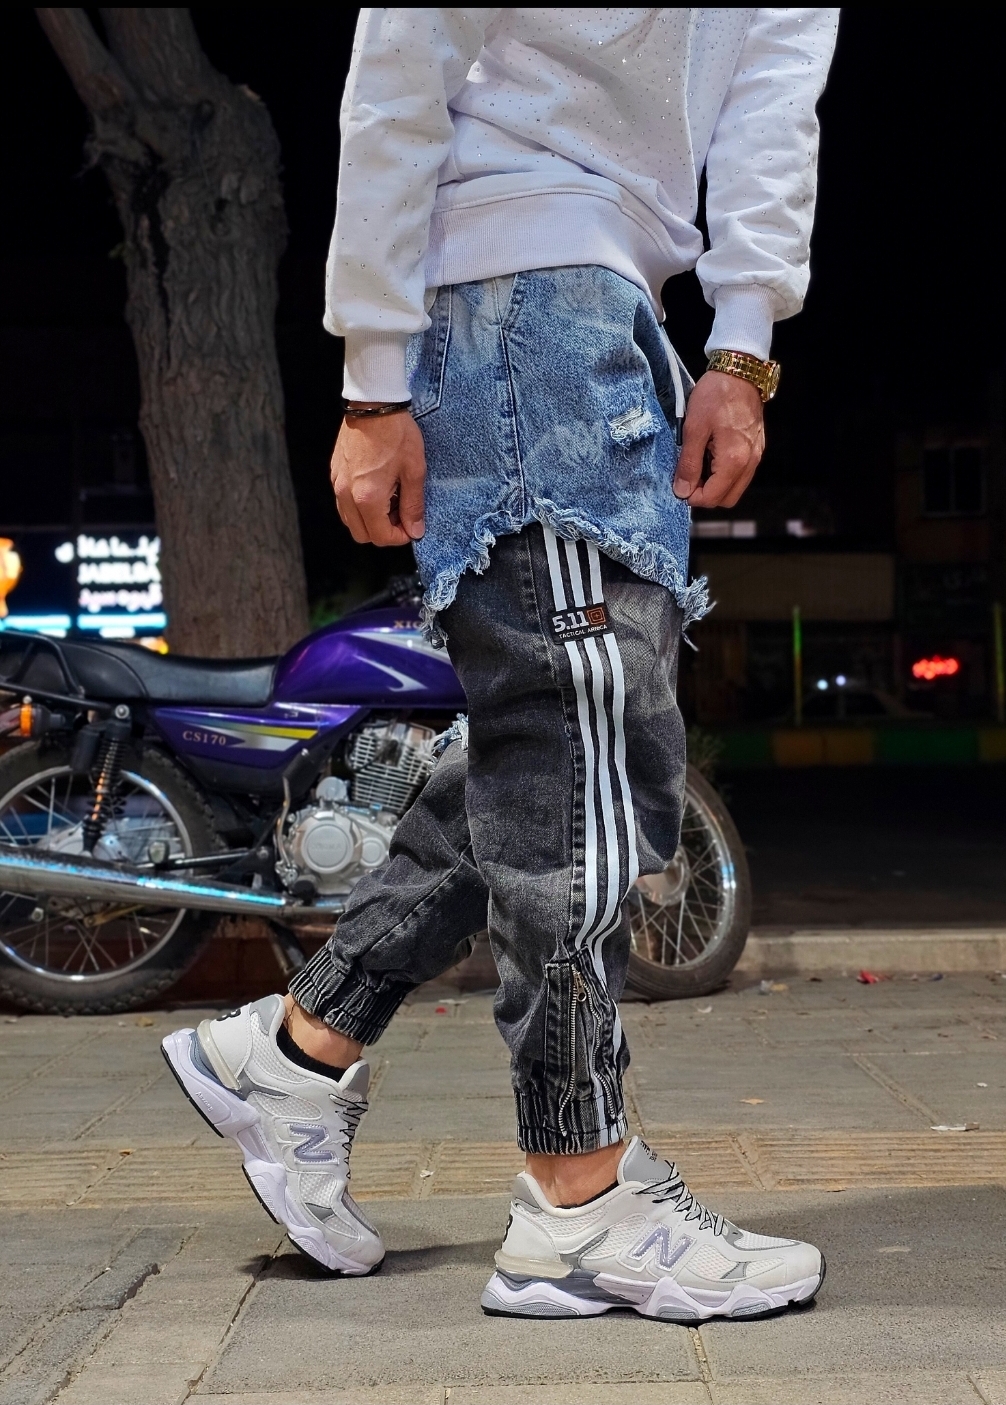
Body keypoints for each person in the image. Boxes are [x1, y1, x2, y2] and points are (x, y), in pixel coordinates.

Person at [164, 8, 839, 1321]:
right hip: (513, 291)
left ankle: (300, 1049)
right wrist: (372, 378)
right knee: (577, 757)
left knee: (570, 747)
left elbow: (771, 95)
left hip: (614, 305)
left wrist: (743, 346)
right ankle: (577, 1198)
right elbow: (403, 53)